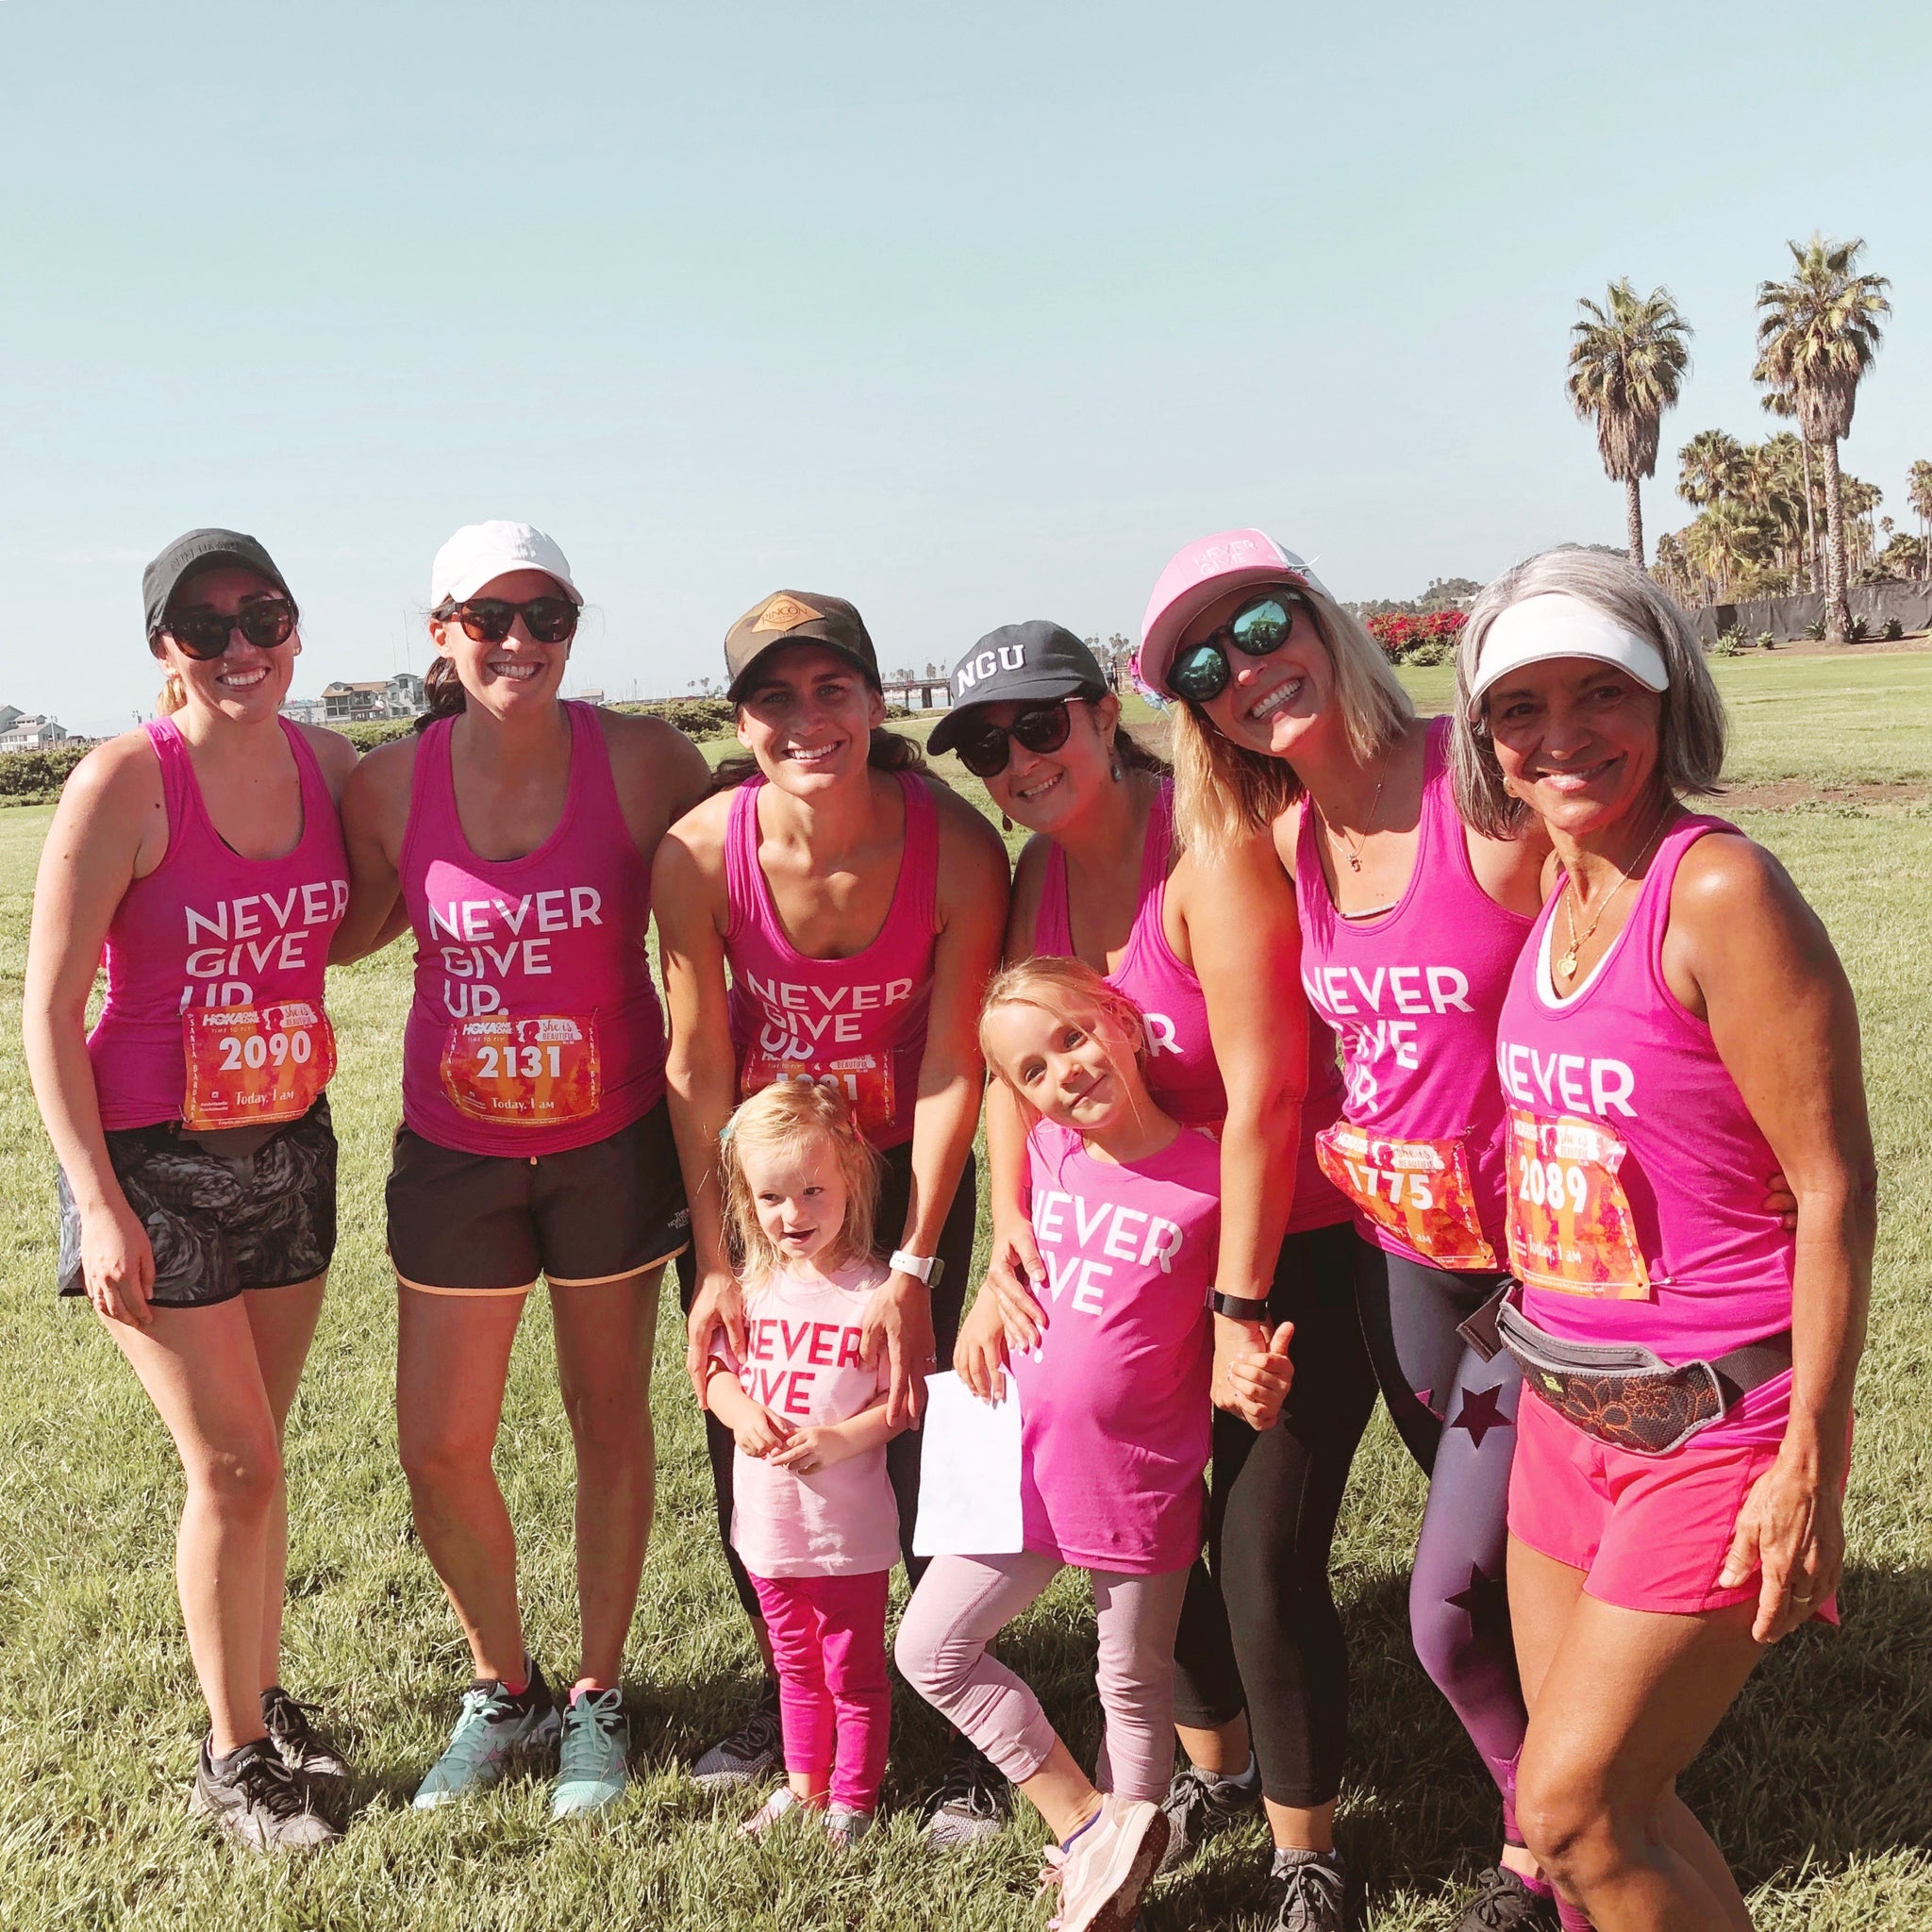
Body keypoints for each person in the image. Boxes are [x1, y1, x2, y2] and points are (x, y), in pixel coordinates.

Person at [1141, 527, 1557, 1931]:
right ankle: (1556, 1809)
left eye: (1262, 626)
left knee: (1472, 1585)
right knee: (1488, 1574)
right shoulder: (1285, 843)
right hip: (1403, 1265)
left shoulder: (1478, 785)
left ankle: (1550, 1846)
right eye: (1204, 667)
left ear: (1322, 619)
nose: (1245, 670)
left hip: (1542, 1268)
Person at [1456, 550, 1873, 1932]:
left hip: (1714, 1418)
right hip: (1563, 1409)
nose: (1562, 735)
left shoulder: (1715, 889)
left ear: (1666, 697)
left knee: (1574, 1808)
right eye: (1520, 706)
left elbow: (1832, 1185)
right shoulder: (1555, 890)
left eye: (1602, 692)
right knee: (1605, 1811)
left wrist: (1812, 1452)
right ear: (1484, 737)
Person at [936, 620, 1377, 1907]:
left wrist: (1240, 1304)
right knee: (1143, 1527)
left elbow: (1267, 1093)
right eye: (986, 747)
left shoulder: (1203, 845)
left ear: (1097, 711)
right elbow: (1011, 1060)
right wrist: (1008, 1232)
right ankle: (1215, 1773)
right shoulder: (1038, 870)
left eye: (1037, 725)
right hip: (1140, 1245)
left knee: (1257, 1555)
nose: (1018, 760)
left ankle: (1306, 1856)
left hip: (1285, 1242)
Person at [335, 521, 711, 1817]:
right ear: (440, 633)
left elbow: (748, 862)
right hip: (456, 1155)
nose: (518, 641)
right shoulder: (390, 785)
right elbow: (344, 926)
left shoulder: (647, 761)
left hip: (611, 1142)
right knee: (439, 1444)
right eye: (488, 618)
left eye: (546, 616)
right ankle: (505, 1684)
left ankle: (598, 1691)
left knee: (608, 1417)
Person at [23, 529, 357, 1849]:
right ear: (165, 648)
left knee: (259, 1458)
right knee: (230, 1462)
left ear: (295, 624)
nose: (239, 648)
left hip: (289, 1145)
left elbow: (377, 900)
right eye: (204, 628)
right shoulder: (125, 780)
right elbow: (48, 1011)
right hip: (149, 1161)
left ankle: (260, 1699)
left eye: (261, 616)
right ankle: (232, 1760)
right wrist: (98, 1203)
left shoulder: (330, 764)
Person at [656, 590, 1008, 1800]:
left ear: (872, 697)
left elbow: (955, 1061)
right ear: (740, 720)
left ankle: (958, 1714)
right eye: (773, 697)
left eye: (830, 689)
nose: (805, 719)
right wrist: (716, 1260)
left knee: (929, 1444)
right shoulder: (698, 852)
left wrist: (913, 1263)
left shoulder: (954, 847)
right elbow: (697, 1062)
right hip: (767, 1195)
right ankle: (791, 1690)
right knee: (759, 1437)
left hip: (905, 1173)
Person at [906, 958, 1296, 1932]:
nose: (1064, 1074)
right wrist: (988, 1291)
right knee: (930, 1647)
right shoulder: (1043, 1156)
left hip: (1136, 1477)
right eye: (1034, 1070)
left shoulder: (1212, 1173)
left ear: (1123, 1020)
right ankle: (1091, 1824)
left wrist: (1249, 1370)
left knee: (1129, 1678)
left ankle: (1119, 1881)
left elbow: (1234, 1319)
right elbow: (1011, 1231)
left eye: (1073, 1038)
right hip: (1019, 1469)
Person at [702, 1081, 906, 1846]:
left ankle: (852, 1801)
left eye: (813, 1191)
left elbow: (902, 1403)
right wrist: (741, 1413)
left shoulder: (877, 1294)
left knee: (852, 1671)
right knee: (793, 1666)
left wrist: (840, 1440)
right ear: (746, 1200)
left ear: (851, 1177)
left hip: (845, 1532)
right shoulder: (749, 1291)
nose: (794, 1215)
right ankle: (803, 1786)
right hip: (768, 1529)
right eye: (772, 1197)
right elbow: (716, 1376)